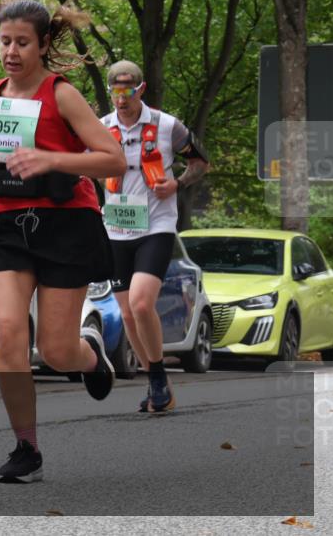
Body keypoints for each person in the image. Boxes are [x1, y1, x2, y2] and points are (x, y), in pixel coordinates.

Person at [0, 0, 126, 484]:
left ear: (44, 44)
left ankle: (88, 352)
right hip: (6, 223)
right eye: (5, 41)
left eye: (22, 42)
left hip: (65, 223)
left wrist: (52, 161)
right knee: (7, 332)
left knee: (55, 351)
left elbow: (112, 160)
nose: (10, 51)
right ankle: (25, 445)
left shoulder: (62, 93)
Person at [100, 61, 209, 413]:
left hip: (156, 226)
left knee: (141, 303)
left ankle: (159, 375)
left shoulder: (167, 125)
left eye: (127, 90)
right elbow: (81, 165)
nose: (121, 98)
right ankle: (154, 381)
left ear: (141, 88)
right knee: (128, 314)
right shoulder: (101, 128)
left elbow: (200, 163)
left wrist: (176, 183)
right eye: (115, 90)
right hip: (116, 229)